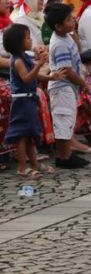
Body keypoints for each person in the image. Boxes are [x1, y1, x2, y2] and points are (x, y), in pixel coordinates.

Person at [3, 24, 59, 176]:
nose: (30, 40)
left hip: (29, 99)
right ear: (18, 42)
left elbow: (35, 75)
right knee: (22, 135)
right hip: (21, 101)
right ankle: (22, 167)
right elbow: (27, 78)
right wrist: (39, 65)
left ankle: (34, 164)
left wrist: (50, 77)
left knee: (30, 134)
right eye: (27, 38)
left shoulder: (25, 57)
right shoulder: (17, 61)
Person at [44, 1, 89, 168]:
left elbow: (77, 49)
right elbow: (67, 71)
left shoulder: (66, 37)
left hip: (68, 88)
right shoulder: (59, 44)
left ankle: (66, 154)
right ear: (58, 26)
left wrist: (74, 32)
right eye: (69, 20)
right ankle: (63, 157)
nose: (73, 21)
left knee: (68, 121)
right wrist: (83, 83)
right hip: (61, 88)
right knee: (63, 121)